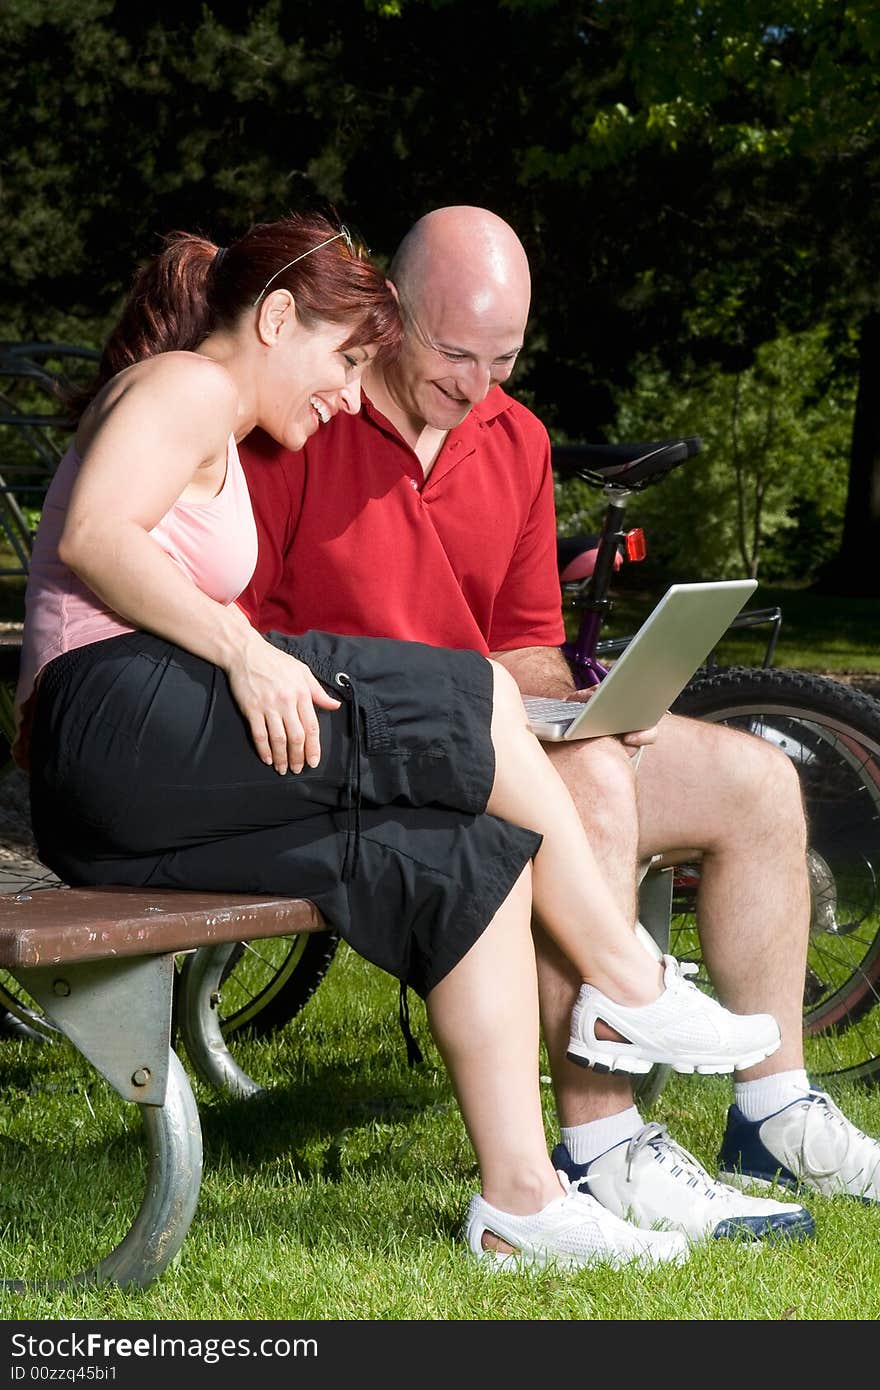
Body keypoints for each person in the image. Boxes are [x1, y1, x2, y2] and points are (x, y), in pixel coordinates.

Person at [14, 210, 789, 1274]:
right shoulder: (187, 383)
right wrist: (244, 655)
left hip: (143, 780)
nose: (345, 388)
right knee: (468, 693)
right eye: (340, 358)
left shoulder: (230, 434)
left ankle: (523, 1204)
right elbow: (94, 535)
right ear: (276, 318)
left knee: (468, 861)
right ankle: (628, 979)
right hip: (104, 723)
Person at [238, 204, 880, 1240]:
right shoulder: (302, 418)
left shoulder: (518, 435)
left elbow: (529, 638)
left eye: (503, 357)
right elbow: (251, 638)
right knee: (585, 785)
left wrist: (585, 701)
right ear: (391, 313)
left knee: (756, 784)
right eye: (455, 353)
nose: (477, 385)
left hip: (511, 732)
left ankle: (772, 1109)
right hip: (364, 745)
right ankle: (602, 1145)